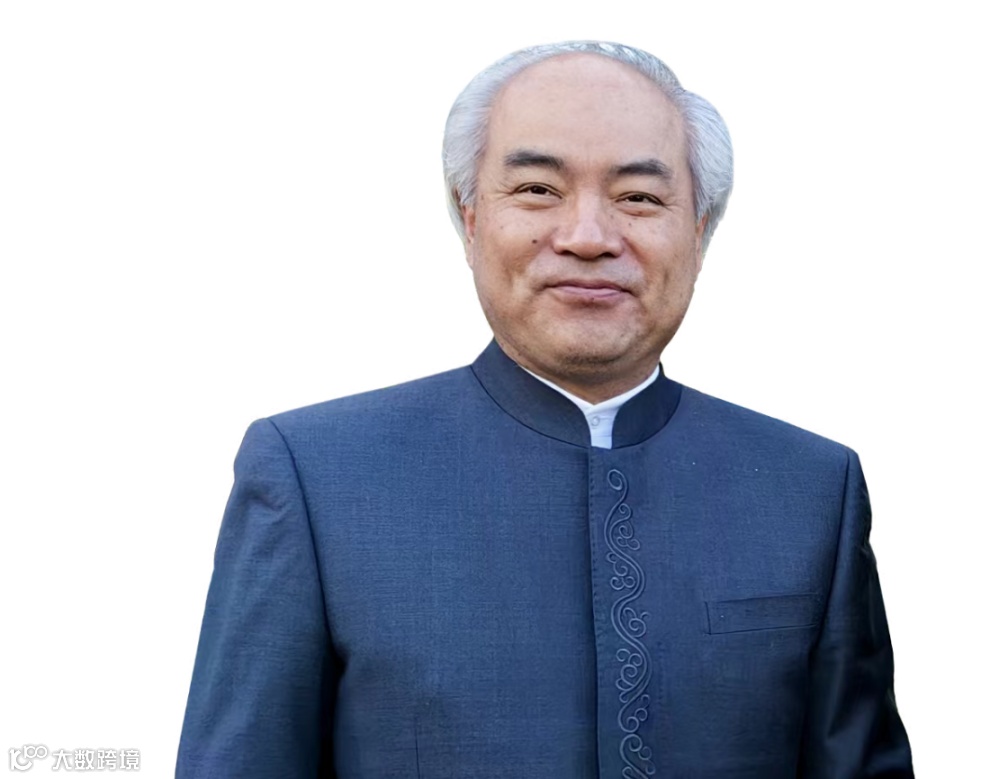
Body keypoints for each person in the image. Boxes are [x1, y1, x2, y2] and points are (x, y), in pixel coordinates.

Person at [176, 41, 914, 778]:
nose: (588, 238)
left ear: (699, 231)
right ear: (470, 219)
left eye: (639, 197)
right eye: (537, 189)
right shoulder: (316, 478)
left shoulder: (810, 490)